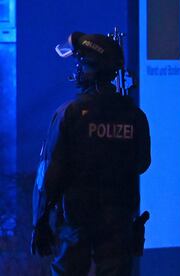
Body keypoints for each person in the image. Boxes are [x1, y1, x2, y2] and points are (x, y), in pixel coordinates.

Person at [30, 32, 151, 275]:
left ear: (91, 66)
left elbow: (49, 174)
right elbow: (142, 163)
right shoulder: (135, 116)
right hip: (120, 221)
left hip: (76, 221)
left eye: (80, 62)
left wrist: (39, 222)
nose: (77, 68)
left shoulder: (69, 114)